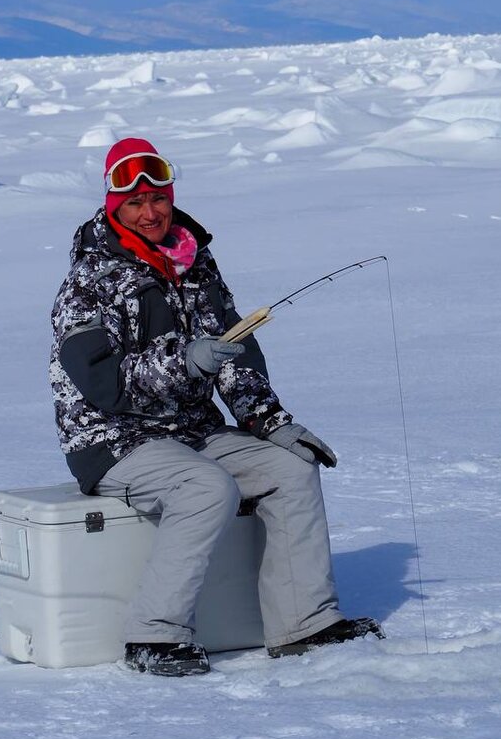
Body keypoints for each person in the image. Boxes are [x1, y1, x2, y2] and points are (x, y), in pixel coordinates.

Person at [49, 137, 382, 677]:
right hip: (111, 440)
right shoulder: (86, 284)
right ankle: (153, 636)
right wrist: (186, 361)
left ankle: (304, 625)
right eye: (135, 203)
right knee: (206, 487)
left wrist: (267, 421)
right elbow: (100, 382)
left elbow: (234, 349)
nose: (150, 212)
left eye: (157, 198)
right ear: (115, 207)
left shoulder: (194, 262)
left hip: (191, 431)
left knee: (291, 466)